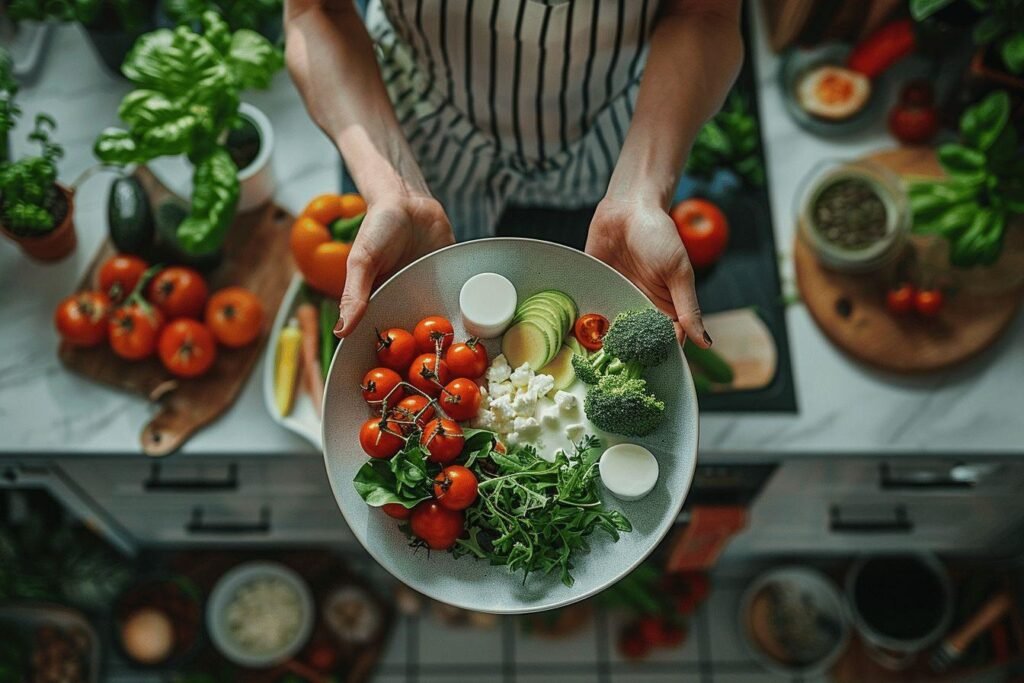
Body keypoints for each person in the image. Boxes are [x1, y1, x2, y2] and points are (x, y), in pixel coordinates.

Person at [284, 0, 742, 349]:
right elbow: (315, 10)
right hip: (413, 128)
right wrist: (393, 187)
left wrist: (640, 190)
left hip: (616, 136)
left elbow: (705, 11)